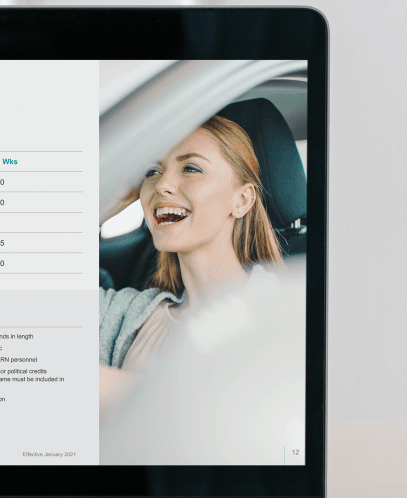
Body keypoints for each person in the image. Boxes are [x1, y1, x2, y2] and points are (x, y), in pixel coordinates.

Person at [98, 114, 281, 411]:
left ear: (242, 200)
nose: (162, 185)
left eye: (191, 168)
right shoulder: (129, 315)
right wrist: (106, 201)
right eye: (152, 171)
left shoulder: (280, 314)